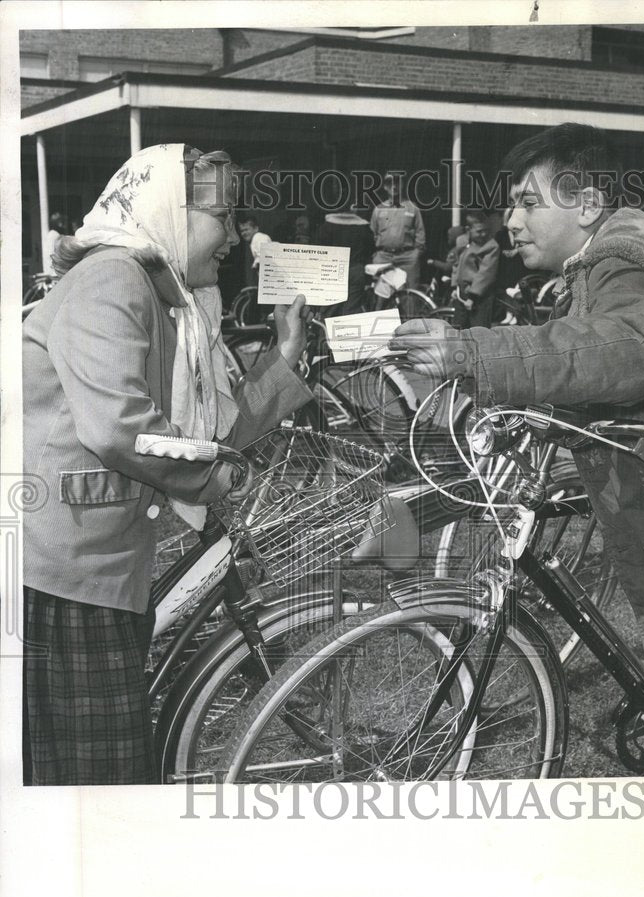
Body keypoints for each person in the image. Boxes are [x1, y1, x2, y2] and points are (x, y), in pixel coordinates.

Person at [391, 122, 644, 775]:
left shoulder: (633, 261)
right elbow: (594, 361)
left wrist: (470, 350)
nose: (510, 220)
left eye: (527, 201)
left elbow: (621, 355)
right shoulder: (612, 258)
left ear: (588, 204)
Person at [22, 143, 313, 785]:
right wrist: (214, 477)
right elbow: (122, 430)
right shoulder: (111, 280)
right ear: (170, 215)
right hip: (60, 571)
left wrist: (283, 353)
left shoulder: (164, 297)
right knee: (91, 782)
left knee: (89, 772)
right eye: (224, 217)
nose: (236, 238)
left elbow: (209, 427)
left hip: (90, 565)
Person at [370, 171, 426, 289]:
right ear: (385, 187)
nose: (394, 186)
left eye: (397, 183)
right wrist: (376, 254)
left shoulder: (413, 208)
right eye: (390, 183)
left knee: (409, 296)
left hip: (407, 258)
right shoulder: (378, 209)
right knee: (382, 295)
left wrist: (416, 254)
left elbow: (420, 233)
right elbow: (372, 234)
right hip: (383, 257)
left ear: (402, 185)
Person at [317, 205, 375, 315]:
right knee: (351, 310)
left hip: (332, 270)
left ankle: (325, 331)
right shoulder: (363, 226)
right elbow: (371, 249)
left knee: (330, 309)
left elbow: (319, 249)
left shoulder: (327, 226)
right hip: (356, 270)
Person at [451, 210, 500, 329]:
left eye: (486, 231)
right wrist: (454, 286)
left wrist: (473, 297)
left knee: (478, 329)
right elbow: (457, 264)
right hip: (461, 293)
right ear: (468, 230)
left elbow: (485, 273)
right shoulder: (463, 243)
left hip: (479, 297)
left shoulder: (491, 246)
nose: (483, 234)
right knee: (458, 327)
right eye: (479, 231)